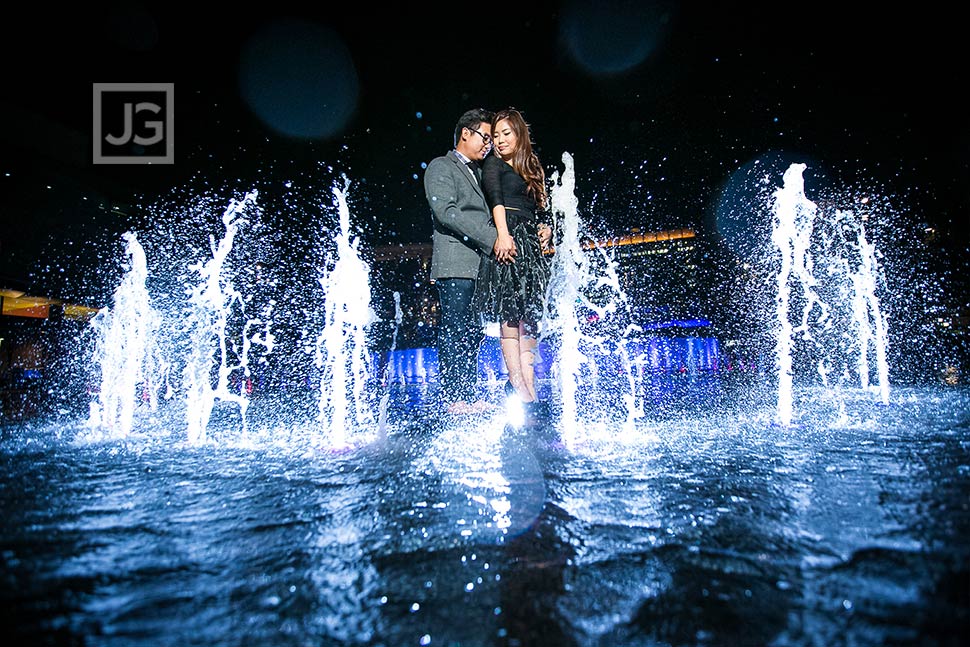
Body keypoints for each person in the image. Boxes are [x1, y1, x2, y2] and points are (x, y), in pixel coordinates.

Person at [473, 108, 552, 415]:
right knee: (510, 316)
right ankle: (516, 381)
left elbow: (541, 210)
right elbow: (495, 199)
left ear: (520, 135)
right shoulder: (492, 164)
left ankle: (529, 382)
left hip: (531, 243)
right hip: (509, 237)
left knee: (530, 316)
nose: (501, 140)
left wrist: (547, 231)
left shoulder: (531, 166)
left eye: (507, 133)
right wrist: (503, 235)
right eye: (496, 136)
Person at [423, 108, 500, 414]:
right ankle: (454, 396)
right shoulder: (441, 166)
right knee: (454, 329)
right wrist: (492, 239)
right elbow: (448, 213)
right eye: (485, 137)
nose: (488, 145)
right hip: (455, 264)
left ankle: (468, 393)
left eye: (491, 140)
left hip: (479, 266)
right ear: (465, 133)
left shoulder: (480, 172)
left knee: (472, 331)